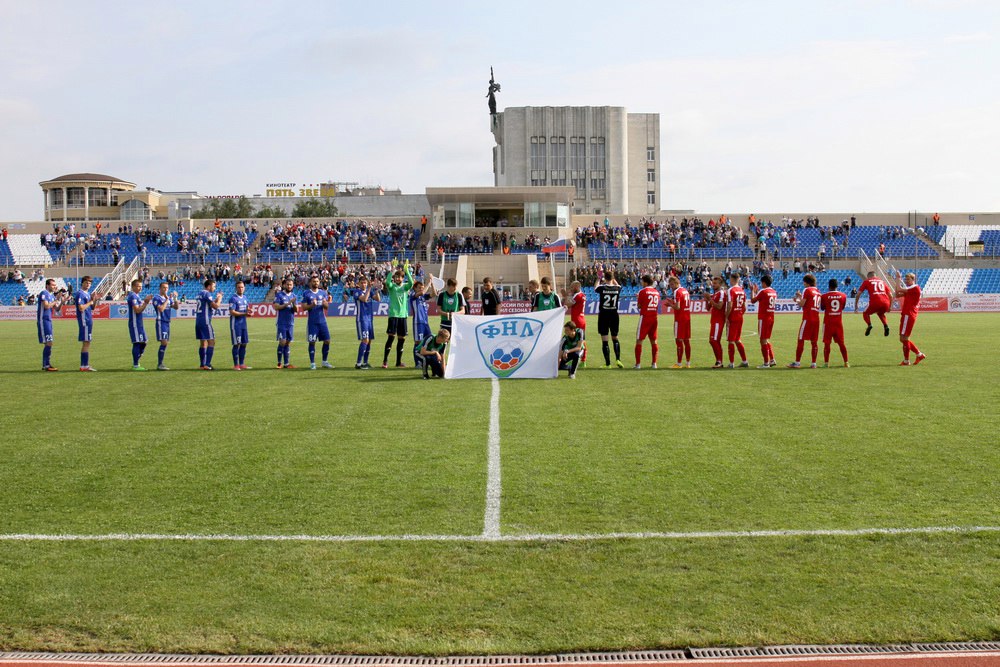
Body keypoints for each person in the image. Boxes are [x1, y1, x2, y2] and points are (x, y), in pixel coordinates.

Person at [382, 263, 414, 368]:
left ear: (402, 278)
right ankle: (385, 361)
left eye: (398, 277)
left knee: (401, 339)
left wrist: (407, 270)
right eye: (395, 277)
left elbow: (411, 282)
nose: (396, 278)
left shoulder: (405, 287)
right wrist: (392, 270)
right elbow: (387, 282)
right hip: (394, 315)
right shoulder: (392, 287)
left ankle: (398, 362)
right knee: (391, 338)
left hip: (403, 316)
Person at [788, 273, 821, 369]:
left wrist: (797, 299)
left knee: (801, 339)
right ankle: (814, 363)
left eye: (804, 283)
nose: (803, 284)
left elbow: (802, 304)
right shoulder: (818, 292)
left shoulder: (807, 289)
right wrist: (800, 297)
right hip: (816, 318)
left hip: (808, 318)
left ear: (807, 283)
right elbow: (810, 301)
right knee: (814, 342)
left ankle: (797, 362)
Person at [300, 275, 333, 370]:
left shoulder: (323, 293)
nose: (316, 283)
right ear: (311, 283)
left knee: (327, 341)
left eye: (317, 281)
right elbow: (304, 307)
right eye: (314, 281)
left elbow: (327, 307)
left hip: (322, 321)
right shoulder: (306, 293)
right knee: (312, 342)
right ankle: (312, 363)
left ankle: (324, 361)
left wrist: (325, 303)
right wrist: (312, 305)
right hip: (312, 322)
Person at [594, 271, 624, 368]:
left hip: (604, 315)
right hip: (614, 314)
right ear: (612, 278)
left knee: (605, 340)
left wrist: (599, 278)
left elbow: (595, 288)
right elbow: (617, 284)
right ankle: (618, 359)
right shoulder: (618, 288)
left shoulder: (602, 288)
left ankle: (608, 364)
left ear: (605, 278)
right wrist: (613, 279)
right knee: (615, 338)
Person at [895, 272, 926, 366]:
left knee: (903, 338)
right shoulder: (911, 290)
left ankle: (907, 360)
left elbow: (899, 289)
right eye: (906, 279)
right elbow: (898, 294)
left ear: (913, 280)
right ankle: (918, 355)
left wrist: (898, 279)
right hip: (907, 314)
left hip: (908, 314)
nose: (907, 281)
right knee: (903, 338)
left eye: (908, 279)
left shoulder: (914, 288)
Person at [350, 275, 380, 369]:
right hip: (362, 319)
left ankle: (365, 362)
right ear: (358, 284)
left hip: (369, 318)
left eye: (365, 283)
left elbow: (378, 299)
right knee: (365, 340)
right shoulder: (356, 292)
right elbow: (364, 299)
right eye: (362, 283)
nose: (364, 284)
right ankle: (358, 363)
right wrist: (370, 288)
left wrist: (376, 289)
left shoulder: (369, 291)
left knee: (369, 340)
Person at [662, 275, 691, 368]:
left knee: (678, 340)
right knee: (686, 341)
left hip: (680, 319)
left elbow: (678, 307)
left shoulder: (677, 291)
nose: (671, 287)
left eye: (672, 284)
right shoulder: (685, 291)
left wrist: (670, 304)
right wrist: (672, 302)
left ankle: (679, 363)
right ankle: (688, 363)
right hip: (687, 318)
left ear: (676, 283)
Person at [37, 278, 66, 371]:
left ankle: (46, 364)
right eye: (52, 285)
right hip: (43, 321)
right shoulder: (44, 293)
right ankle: (46, 365)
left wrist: (61, 301)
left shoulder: (52, 296)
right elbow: (46, 306)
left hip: (49, 321)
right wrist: (56, 299)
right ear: (47, 285)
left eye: (55, 285)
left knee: (49, 342)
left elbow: (57, 309)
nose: (54, 287)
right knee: (49, 342)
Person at [196, 278, 224, 370]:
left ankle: (202, 364)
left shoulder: (200, 293)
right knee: (211, 341)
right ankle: (207, 364)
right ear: (209, 286)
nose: (214, 288)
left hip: (198, 321)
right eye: (214, 286)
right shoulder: (207, 293)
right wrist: (219, 299)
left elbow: (208, 304)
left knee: (203, 342)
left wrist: (216, 299)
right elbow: (215, 306)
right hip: (206, 321)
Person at [750, 274, 777, 368]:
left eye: (761, 282)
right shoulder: (773, 291)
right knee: (766, 339)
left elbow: (753, 300)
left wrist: (752, 291)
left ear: (764, 282)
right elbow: (762, 298)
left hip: (763, 318)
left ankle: (766, 363)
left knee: (762, 340)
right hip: (771, 317)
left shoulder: (763, 291)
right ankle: (772, 359)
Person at [821, 278, 849, 367]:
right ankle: (846, 362)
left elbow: (822, 308)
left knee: (827, 343)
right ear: (837, 286)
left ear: (829, 286)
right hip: (838, 323)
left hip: (828, 323)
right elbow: (842, 307)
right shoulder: (843, 295)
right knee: (841, 343)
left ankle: (826, 363)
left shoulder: (824, 296)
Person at [151, 281, 179, 370]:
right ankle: (160, 364)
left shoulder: (169, 299)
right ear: (160, 288)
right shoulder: (156, 298)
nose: (166, 289)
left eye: (167, 288)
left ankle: (160, 364)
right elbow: (161, 309)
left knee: (165, 343)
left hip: (167, 322)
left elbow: (176, 307)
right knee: (164, 342)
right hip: (161, 321)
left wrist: (175, 298)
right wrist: (167, 299)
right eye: (164, 287)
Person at [126, 278, 153, 371]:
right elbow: (137, 310)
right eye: (138, 286)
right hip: (135, 323)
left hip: (139, 323)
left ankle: (137, 357)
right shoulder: (133, 296)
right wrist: (146, 302)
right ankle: (136, 365)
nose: (140, 288)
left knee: (144, 341)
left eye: (141, 286)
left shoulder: (136, 296)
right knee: (137, 343)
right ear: (133, 287)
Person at [855, 270, 892, 337]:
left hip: (875, 301)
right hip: (886, 302)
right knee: (880, 313)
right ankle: (886, 326)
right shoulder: (882, 282)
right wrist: (890, 307)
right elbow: (891, 296)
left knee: (865, 313)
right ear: (875, 275)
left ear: (868, 276)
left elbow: (858, 294)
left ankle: (869, 325)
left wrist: (856, 306)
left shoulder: (867, 281)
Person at [634, 274, 660, 369]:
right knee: (654, 340)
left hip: (645, 317)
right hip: (654, 317)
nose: (641, 283)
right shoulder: (656, 292)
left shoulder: (643, 291)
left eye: (642, 281)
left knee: (639, 340)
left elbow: (639, 306)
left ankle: (638, 364)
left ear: (645, 282)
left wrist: (639, 298)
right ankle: (654, 363)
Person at [725, 274, 749, 368]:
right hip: (739, 316)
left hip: (733, 317)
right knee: (737, 339)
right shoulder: (742, 291)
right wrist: (740, 313)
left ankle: (731, 363)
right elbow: (744, 307)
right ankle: (744, 361)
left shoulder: (731, 290)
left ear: (732, 279)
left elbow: (730, 305)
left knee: (731, 340)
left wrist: (726, 317)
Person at [273, 277, 297, 368]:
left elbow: (296, 310)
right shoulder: (279, 295)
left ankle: (286, 364)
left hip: (290, 322)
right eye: (287, 284)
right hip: (281, 322)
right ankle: (279, 363)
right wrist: (287, 304)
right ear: (284, 285)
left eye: (291, 284)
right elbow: (276, 307)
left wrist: (294, 304)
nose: (289, 286)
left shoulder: (294, 296)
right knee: (282, 342)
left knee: (287, 342)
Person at [562, 280, 587, 366]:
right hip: (582, 318)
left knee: (576, 338)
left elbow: (568, 304)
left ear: (577, 286)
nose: (571, 288)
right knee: (582, 339)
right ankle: (583, 359)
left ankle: (579, 358)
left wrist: (566, 295)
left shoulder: (577, 295)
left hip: (577, 319)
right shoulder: (582, 295)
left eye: (572, 287)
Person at [705, 275, 728, 369]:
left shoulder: (721, 293)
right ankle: (718, 361)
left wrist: (710, 299)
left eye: (715, 283)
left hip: (719, 320)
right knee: (713, 341)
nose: (713, 285)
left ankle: (719, 362)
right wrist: (707, 300)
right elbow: (707, 308)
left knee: (714, 340)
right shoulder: (714, 294)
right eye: (713, 283)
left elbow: (719, 306)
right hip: (714, 320)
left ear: (720, 284)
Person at [410, 279, 435, 366]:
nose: (421, 289)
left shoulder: (423, 297)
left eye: (422, 287)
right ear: (415, 288)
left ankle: (426, 360)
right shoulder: (413, 295)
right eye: (419, 288)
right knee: (418, 342)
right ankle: (418, 362)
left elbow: (433, 294)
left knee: (429, 340)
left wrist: (433, 285)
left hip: (425, 322)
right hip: (418, 322)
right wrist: (429, 283)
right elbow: (422, 293)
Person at [74, 275, 97, 371]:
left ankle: (84, 365)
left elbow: (93, 308)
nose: (88, 284)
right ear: (82, 283)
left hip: (88, 320)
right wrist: (89, 303)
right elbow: (81, 308)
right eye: (86, 282)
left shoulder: (87, 294)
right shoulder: (80, 294)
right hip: (84, 321)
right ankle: (84, 365)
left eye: (89, 283)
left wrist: (94, 300)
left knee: (87, 342)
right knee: (86, 342)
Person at [229, 280, 251, 370]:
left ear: (244, 288)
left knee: (244, 343)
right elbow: (232, 312)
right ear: (236, 288)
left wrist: (249, 310)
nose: (240, 289)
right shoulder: (233, 298)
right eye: (239, 287)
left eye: (242, 287)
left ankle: (242, 364)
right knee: (236, 344)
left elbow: (247, 308)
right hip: (236, 325)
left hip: (243, 324)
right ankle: (236, 365)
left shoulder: (245, 298)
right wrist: (244, 314)